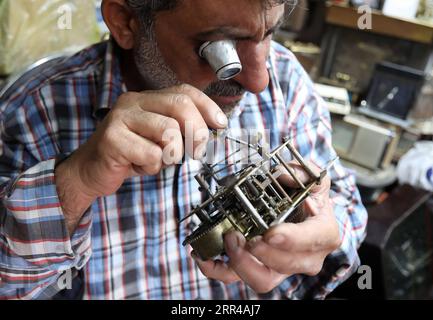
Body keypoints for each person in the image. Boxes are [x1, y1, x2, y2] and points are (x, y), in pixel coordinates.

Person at [0, 0, 367, 300]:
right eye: (219, 49)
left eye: (269, 33)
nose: (258, 80)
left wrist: (321, 229)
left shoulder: (285, 79)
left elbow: (347, 205)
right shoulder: (32, 112)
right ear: (126, 21)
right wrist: (75, 182)